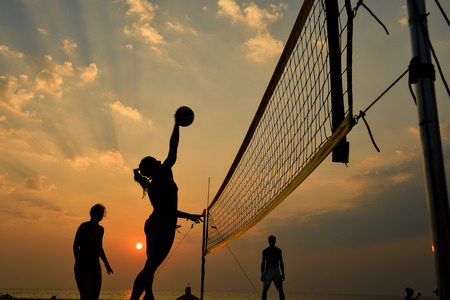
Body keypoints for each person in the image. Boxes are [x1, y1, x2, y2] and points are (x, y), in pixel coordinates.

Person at [130, 113, 203, 300]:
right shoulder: (163, 173)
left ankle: (148, 296)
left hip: (153, 224)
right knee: (149, 267)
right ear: (153, 166)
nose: (159, 161)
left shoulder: (152, 184)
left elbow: (165, 209)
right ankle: (141, 296)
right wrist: (177, 125)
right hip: (163, 225)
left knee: (150, 265)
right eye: (155, 160)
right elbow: (173, 148)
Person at [73, 203, 113, 300]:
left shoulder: (100, 229)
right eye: (97, 213)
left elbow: (99, 248)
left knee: (95, 295)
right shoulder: (83, 226)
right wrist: (79, 262)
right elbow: (75, 246)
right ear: (91, 213)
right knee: (85, 295)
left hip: (95, 265)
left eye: (101, 213)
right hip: (83, 264)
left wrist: (106, 263)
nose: (99, 215)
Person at [261, 235, 285, 300]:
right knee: (265, 290)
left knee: (280, 290)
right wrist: (262, 274)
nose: (271, 242)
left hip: (276, 271)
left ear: (274, 241)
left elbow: (281, 262)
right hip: (268, 271)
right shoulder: (265, 251)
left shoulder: (278, 250)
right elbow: (263, 263)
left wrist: (283, 273)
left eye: (272, 240)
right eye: (270, 240)